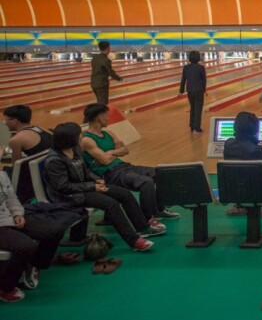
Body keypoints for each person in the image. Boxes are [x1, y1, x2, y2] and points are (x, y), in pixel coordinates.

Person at [43, 122, 157, 253]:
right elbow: (63, 187)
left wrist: (97, 180)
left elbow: (85, 171)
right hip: (69, 195)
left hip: (84, 188)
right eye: (79, 134)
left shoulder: (75, 150)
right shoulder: (54, 161)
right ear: (70, 138)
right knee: (111, 204)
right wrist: (92, 187)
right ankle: (134, 241)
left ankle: (142, 227)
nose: (82, 136)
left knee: (124, 194)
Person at [80, 103, 179, 227]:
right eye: (106, 115)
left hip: (125, 167)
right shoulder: (87, 140)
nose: (108, 118)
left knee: (161, 174)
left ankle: (159, 209)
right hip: (110, 174)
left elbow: (125, 150)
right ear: (99, 118)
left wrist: (110, 152)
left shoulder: (109, 133)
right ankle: (147, 219)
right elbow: (105, 161)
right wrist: (114, 153)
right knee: (146, 182)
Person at [0, 170, 65, 303]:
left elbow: (11, 199)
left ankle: (35, 264)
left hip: (10, 218)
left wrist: (17, 214)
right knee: (26, 246)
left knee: (55, 230)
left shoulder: (2, 175)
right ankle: (5, 288)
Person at [3, 105, 53, 202]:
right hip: (48, 171)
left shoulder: (16, 140)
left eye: (6, 120)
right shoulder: (41, 128)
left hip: (29, 178)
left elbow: (17, 166)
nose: (5, 124)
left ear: (15, 121)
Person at [179, 50, 207, 133]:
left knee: (192, 108)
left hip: (190, 91)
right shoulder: (201, 68)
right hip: (199, 91)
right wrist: (204, 90)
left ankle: (191, 126)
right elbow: (204, 80)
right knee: (198, 109)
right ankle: (197, 127)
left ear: (189, 58)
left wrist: (181, 91)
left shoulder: (186, 68)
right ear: (198, 58)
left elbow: (183, 80)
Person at [90, 40, 122, 105]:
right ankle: (100, 114)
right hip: (102, 84)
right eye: (109, 47)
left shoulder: (94, 58)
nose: (110, 49)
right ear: (107, 48)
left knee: (99, 101)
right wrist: (119, 78)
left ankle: (99, 113)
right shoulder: (106, 60)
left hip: (93, 83)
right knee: (102, 103)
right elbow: (110, 72)